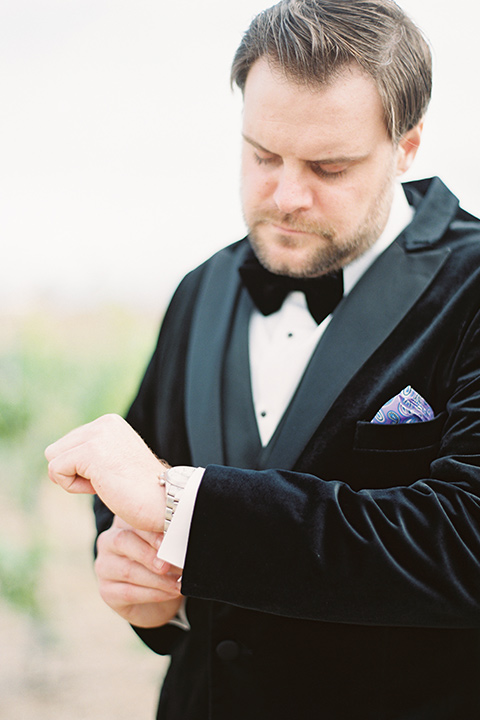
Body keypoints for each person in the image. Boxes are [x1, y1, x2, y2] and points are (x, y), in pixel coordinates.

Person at [45, 0, 480, 717]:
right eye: (262, 155)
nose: (284, 196)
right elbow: (144, 466)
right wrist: (139, 588)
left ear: (407, 147)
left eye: (328, 166)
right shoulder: (203, 287)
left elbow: (464, 544)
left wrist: (181, 505)